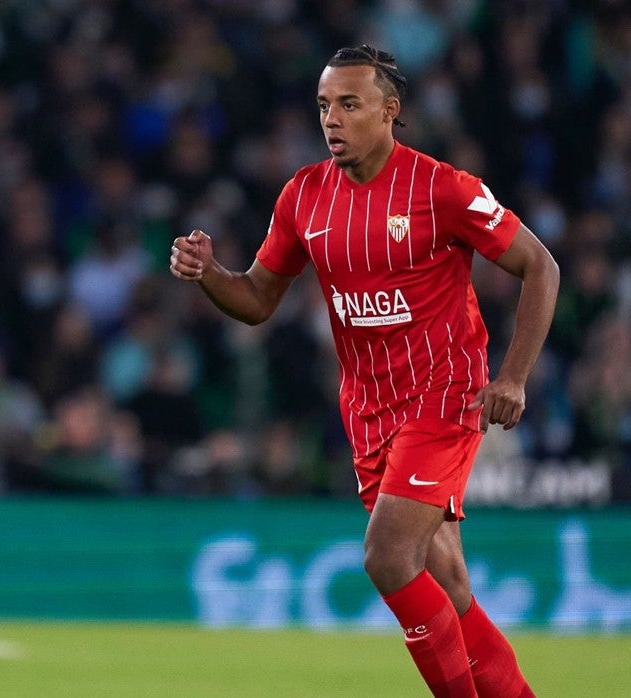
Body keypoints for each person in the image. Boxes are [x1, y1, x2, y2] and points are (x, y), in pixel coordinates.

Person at [170, 45, 558, 697]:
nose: (333, 119)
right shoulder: (304, 197)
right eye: (324, 106)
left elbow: (539, 266)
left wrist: (513, 376)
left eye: (349, 104)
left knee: (387, 556)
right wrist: (209, 274)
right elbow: (259, 298)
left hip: (445, 394)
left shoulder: (443, 188)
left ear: (389, 111)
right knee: (449, 586)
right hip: (369, 410)